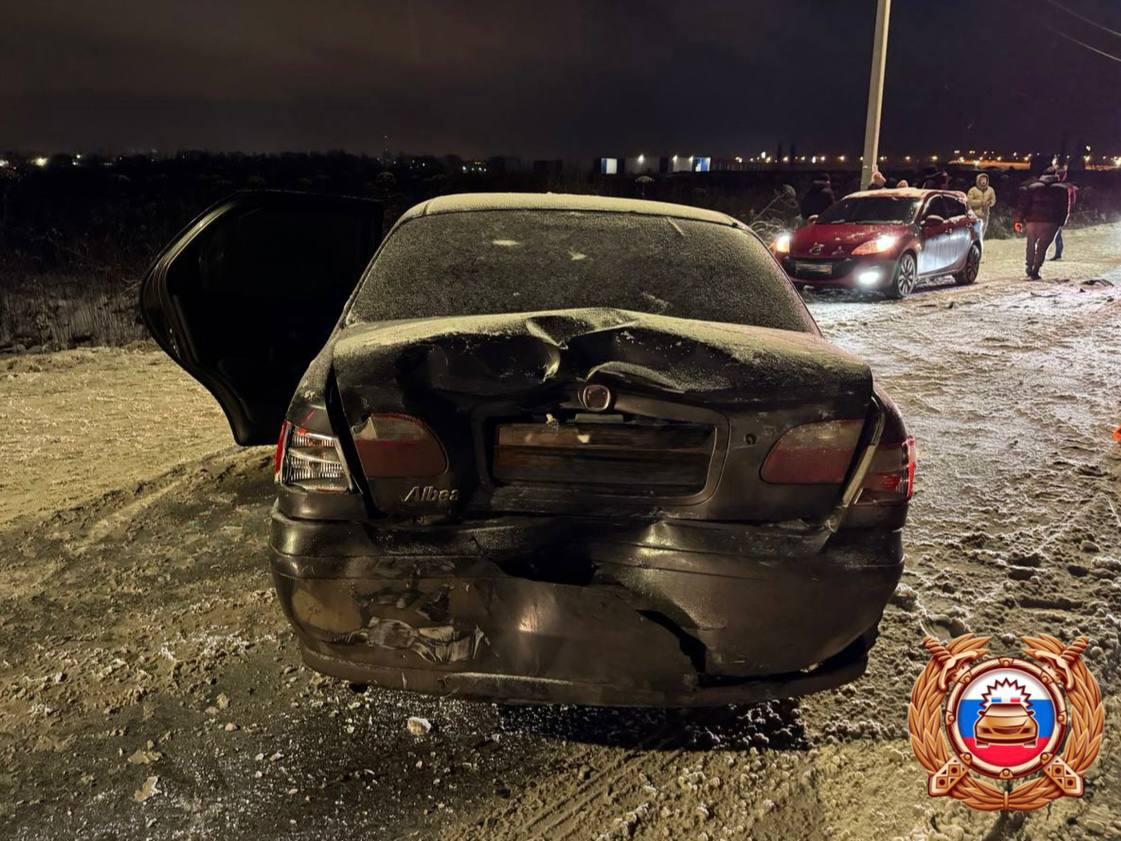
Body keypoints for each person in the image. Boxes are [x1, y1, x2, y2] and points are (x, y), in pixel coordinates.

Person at [1014, 167, 1071, 280]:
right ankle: (1036, 269)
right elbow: (1064, 208)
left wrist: (1019, 219)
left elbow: (1024, 205)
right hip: (1051, 222)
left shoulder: (1033, 187)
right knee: (1042, 247)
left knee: (1031, 244)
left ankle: (1029, 267)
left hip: (1033, 220)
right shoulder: (1062, 189)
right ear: (1056, 175)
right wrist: (1061, 222)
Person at [1050, 167, 1077, 261]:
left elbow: (1071, 201)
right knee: (1057, 232)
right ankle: (1057, 253)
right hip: (1059, 211)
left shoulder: (1063, 187)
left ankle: (1058, 253)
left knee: (1057, 232)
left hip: (1059, 212)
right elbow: (1072, 201)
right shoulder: (1067, 186)